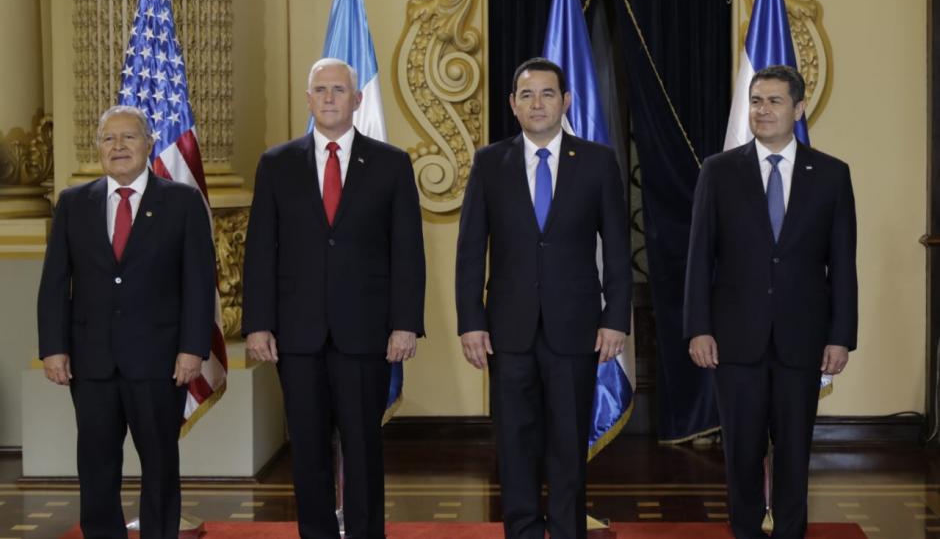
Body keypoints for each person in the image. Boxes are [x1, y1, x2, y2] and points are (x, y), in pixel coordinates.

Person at [242, 58, 426, 539]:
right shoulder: (276, 164)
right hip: (297, 335)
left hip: (366, 334)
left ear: (357, 99)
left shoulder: (391, 164)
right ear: (308, 100)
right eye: (320, 90)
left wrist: (405, 323)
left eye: (339, 90)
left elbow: (407, 251)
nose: (329, 98)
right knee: (307, 450)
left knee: (363, 448)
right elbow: (260, 250)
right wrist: (258, 323)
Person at [455, 57, 632, 539]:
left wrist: (616, 318)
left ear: (566, 101)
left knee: (568, 444)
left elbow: (618, 248)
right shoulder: (490, 163)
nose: (537, 104)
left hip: (576, 329)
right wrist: (471, 321)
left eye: (548, 94)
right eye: (527, 95)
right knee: (515, 443)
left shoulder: (597, 161)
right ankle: (524, 531)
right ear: (512, 104)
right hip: (506, 330)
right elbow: (470, 250)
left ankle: (568, 530)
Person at [684, 64, 857, 539]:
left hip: (803, 339)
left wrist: (841, 336)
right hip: (734, 339)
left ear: (798, 109)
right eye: (756, 101)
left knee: (794, 452)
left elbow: (842, 263)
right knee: (741, 451)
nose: (762, 110)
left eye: (774, 101)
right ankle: (745, 531)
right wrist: (698, 327)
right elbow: (699, 257)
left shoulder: (831, 174)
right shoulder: (719, 171)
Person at [37, 105, 216, 539]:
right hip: (92, 362)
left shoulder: (181, 202)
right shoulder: (74, 203)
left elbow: (198, 281)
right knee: (96, 466)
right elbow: (55, 281)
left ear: (149, 144)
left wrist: (192, 348)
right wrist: (53, 348)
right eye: (108, 138)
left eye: (128, 137)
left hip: (159, 361)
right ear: (98, 147)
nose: (118, 146)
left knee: (159, 464)